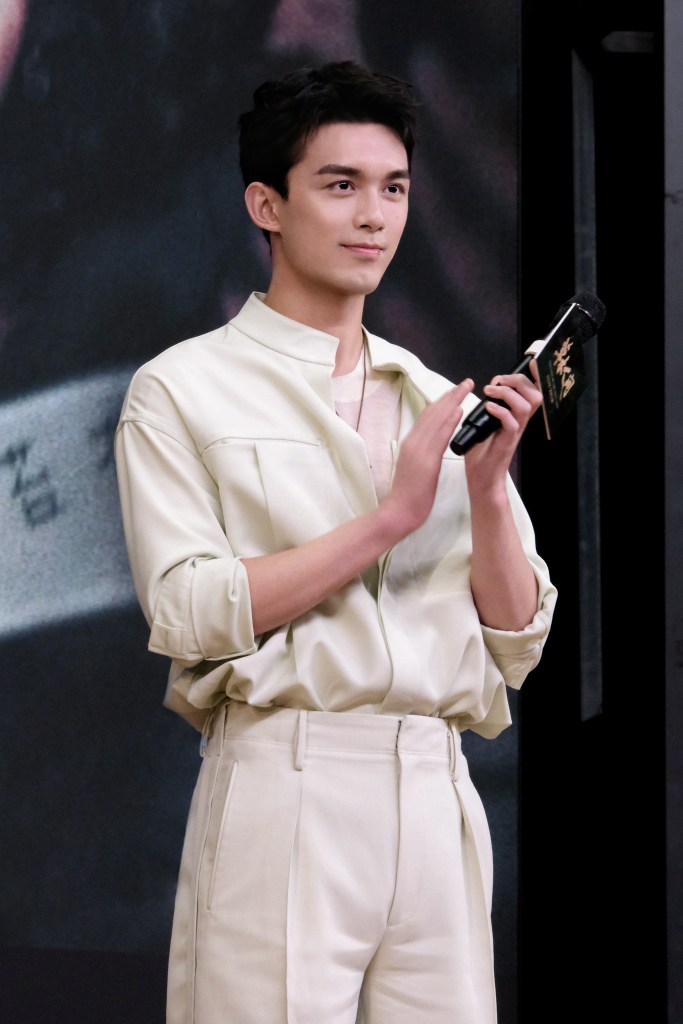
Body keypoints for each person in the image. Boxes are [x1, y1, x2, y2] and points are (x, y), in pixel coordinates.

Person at [114, 59, 557, 1024]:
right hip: (287, 778)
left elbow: (518, 640)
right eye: (341, 185)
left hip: (437, 787)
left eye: (393, 188)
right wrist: (391, 518)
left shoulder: (434, 395)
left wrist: (487, 491)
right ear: (265, 205)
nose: (373, 217)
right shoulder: (182, 388)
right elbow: (189, 609)